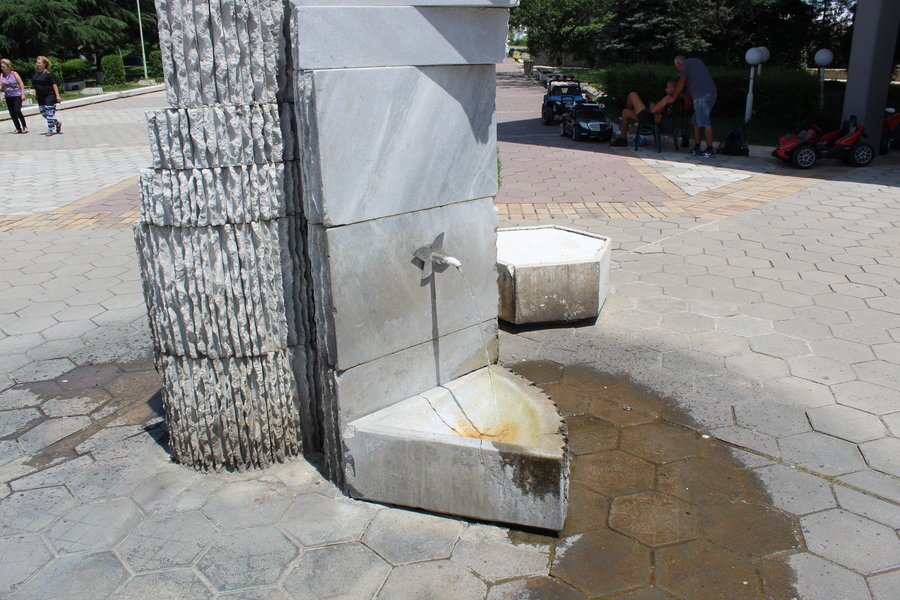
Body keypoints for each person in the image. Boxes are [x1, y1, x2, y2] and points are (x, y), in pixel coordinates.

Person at [609, 80, 679, 147]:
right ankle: (622, 139)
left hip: (649, 118)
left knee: (632, 94)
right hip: (654, 119)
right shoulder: (675, 99)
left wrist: (652, 106)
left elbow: (653, 110)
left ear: (673, 87)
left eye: (667, 87)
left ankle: (628, 118)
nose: (666, 90)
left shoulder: (667, 98)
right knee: (625, 112)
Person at [673, 54, 716, 157]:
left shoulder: (685, 64)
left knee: (705, 121)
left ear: (679, 63)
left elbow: (681, 82)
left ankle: (710, 149)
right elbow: (694, 83)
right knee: (696, 121)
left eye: (678, 68)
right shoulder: (696, 61)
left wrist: (674, 96)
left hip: (702, 95)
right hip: (710, 93)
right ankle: (697, 147)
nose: (680, 71)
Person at [32, 56, 62, 136]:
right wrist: (35, 93)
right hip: (40, 96)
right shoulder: (35, 73)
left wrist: (57, 95)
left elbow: (54, 85)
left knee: (49, 112)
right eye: (37, 63)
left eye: (39, 63)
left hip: (49, 95)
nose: (37, 64)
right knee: (43, 112)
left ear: (44, 64)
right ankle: (57, 123)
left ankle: (50, 130)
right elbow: (35, 84)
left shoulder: (49, 74)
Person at [0, 59, 27, 134]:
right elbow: (1, 87)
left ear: (8, 66)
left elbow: (21, 83)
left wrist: (23, 94)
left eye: (3, 67)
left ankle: (24, 126)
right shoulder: (2, 75)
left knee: (17, 110)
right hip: (8, 96)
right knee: (12, 112)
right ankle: (18, 128)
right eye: (1, 67)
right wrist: (2, 87)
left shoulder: (14, 73)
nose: (2, 68)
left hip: (17, 95)